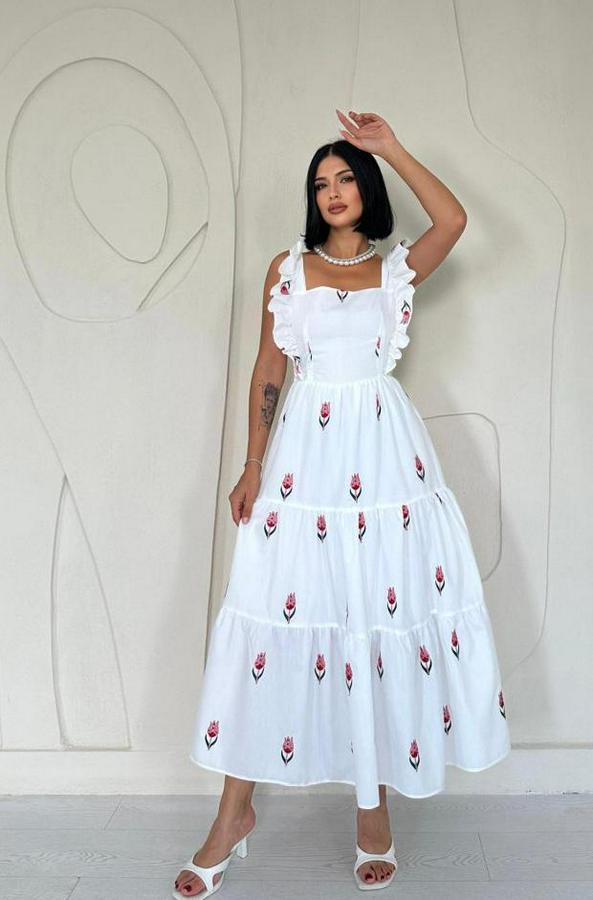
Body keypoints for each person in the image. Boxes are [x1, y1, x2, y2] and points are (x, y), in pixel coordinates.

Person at [173, 110, 511, 897]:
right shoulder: (287, 269)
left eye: (346, 179)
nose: (332, 191)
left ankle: (372, 811)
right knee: (270, 613)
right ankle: (232, 814)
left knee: (374, 614)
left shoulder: (396, 271)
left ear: (367, 190)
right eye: (320, 182)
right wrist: (252, 463)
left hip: (385, 461)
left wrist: (389, 147)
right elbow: (268, 367)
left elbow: (454, 220)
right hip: (304, 462)